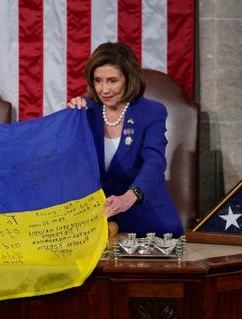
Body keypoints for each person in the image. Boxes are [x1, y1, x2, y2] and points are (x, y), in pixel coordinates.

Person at [67, 42, 183, 237]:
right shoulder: (84, 111)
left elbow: (154, 163)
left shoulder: (151, 112)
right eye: (98, 80)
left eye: (112, 81)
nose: (104, 89)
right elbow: (69, 162)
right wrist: (68, 120)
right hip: (100, 224)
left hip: (148, 221)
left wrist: (130, 197)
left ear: (129, 79)